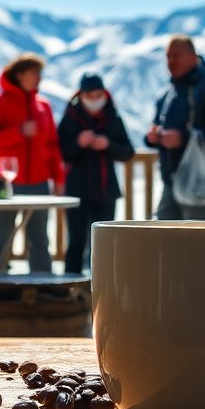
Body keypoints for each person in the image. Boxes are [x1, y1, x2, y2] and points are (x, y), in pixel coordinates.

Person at [0, 53, 66, 273]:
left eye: (40, 73)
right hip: (0, 182)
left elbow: (53, 146)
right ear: (19, 75)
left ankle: (43, 288)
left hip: (38, 181)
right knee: (0, 238)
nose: (39, 78)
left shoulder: (43, 106)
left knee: (39, 238)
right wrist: (18, 133)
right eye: (34, 73)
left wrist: (58, 178)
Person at [146, 35, 205, 220]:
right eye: (168, 56)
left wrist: (185, 138)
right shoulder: (167, 95)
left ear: (193, 57)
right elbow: (155, 130)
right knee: (162, 241)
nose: (171, 62)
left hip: (200, 183)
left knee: (200, 244)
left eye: (177, 56)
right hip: (171, 181)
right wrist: (152, 138)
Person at [58, 73, 135, 274]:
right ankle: (71, 288)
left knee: (104, 244)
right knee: (76, 242)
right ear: (81, 95)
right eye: (89, 95)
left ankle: (103, 287)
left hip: (106, 191)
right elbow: (61, 153)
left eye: (98, 94)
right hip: (77, 191)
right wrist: (78, 144)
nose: (94, 100)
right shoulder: (70, 118)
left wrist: (108, 145)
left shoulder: (113, 118)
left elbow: (127, 152)